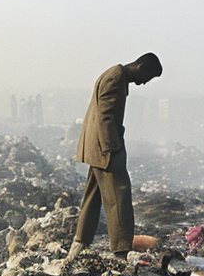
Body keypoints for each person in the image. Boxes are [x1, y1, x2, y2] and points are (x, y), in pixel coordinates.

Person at [70, 53, 163, 259]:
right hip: (105, 148)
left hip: (97, 146)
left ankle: (79, 243)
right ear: (141, 67)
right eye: (148, 77)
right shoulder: (116, 77)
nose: (145, 82)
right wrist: (111, 149)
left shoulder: (114, 74)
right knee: (120, 195)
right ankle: (121, 251)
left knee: (93, 196)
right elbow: (106, 116)